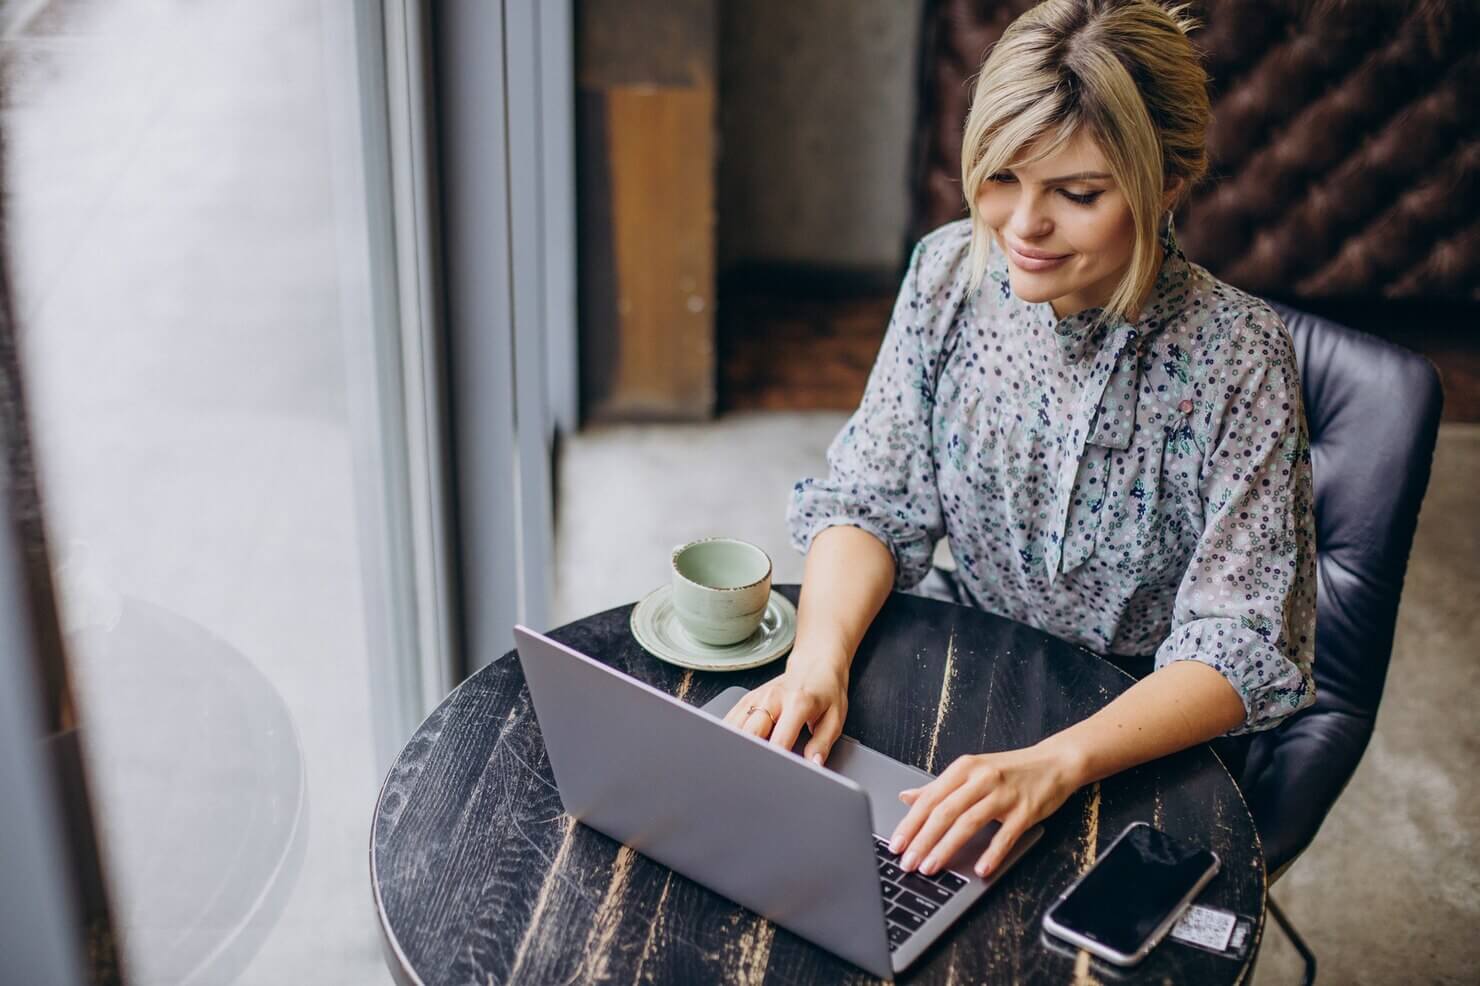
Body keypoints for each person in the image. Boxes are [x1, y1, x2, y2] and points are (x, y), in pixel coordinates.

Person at [725, 0, 1316, 883]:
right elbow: (870, 502)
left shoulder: (1242, 360)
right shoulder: (946, 275)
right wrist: (817, 663)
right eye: (1001, 176)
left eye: (1077, 194)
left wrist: (1054, 766)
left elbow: (1236, 643)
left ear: (1168, 184)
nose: (1021, 227)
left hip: (1135, 718)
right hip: (965, 654)